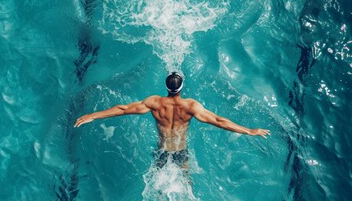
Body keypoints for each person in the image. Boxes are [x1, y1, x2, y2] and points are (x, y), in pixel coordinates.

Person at [74, 72, 270, 171]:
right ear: (181, 87)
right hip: (180, 151)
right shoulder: (191, 106)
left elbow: (123, 109)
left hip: (162, 151)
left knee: (159, 191)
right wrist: (249, 130)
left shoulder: (154, 103)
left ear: (166, 87)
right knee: (186, 184)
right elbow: (219, 120)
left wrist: (94, 115)